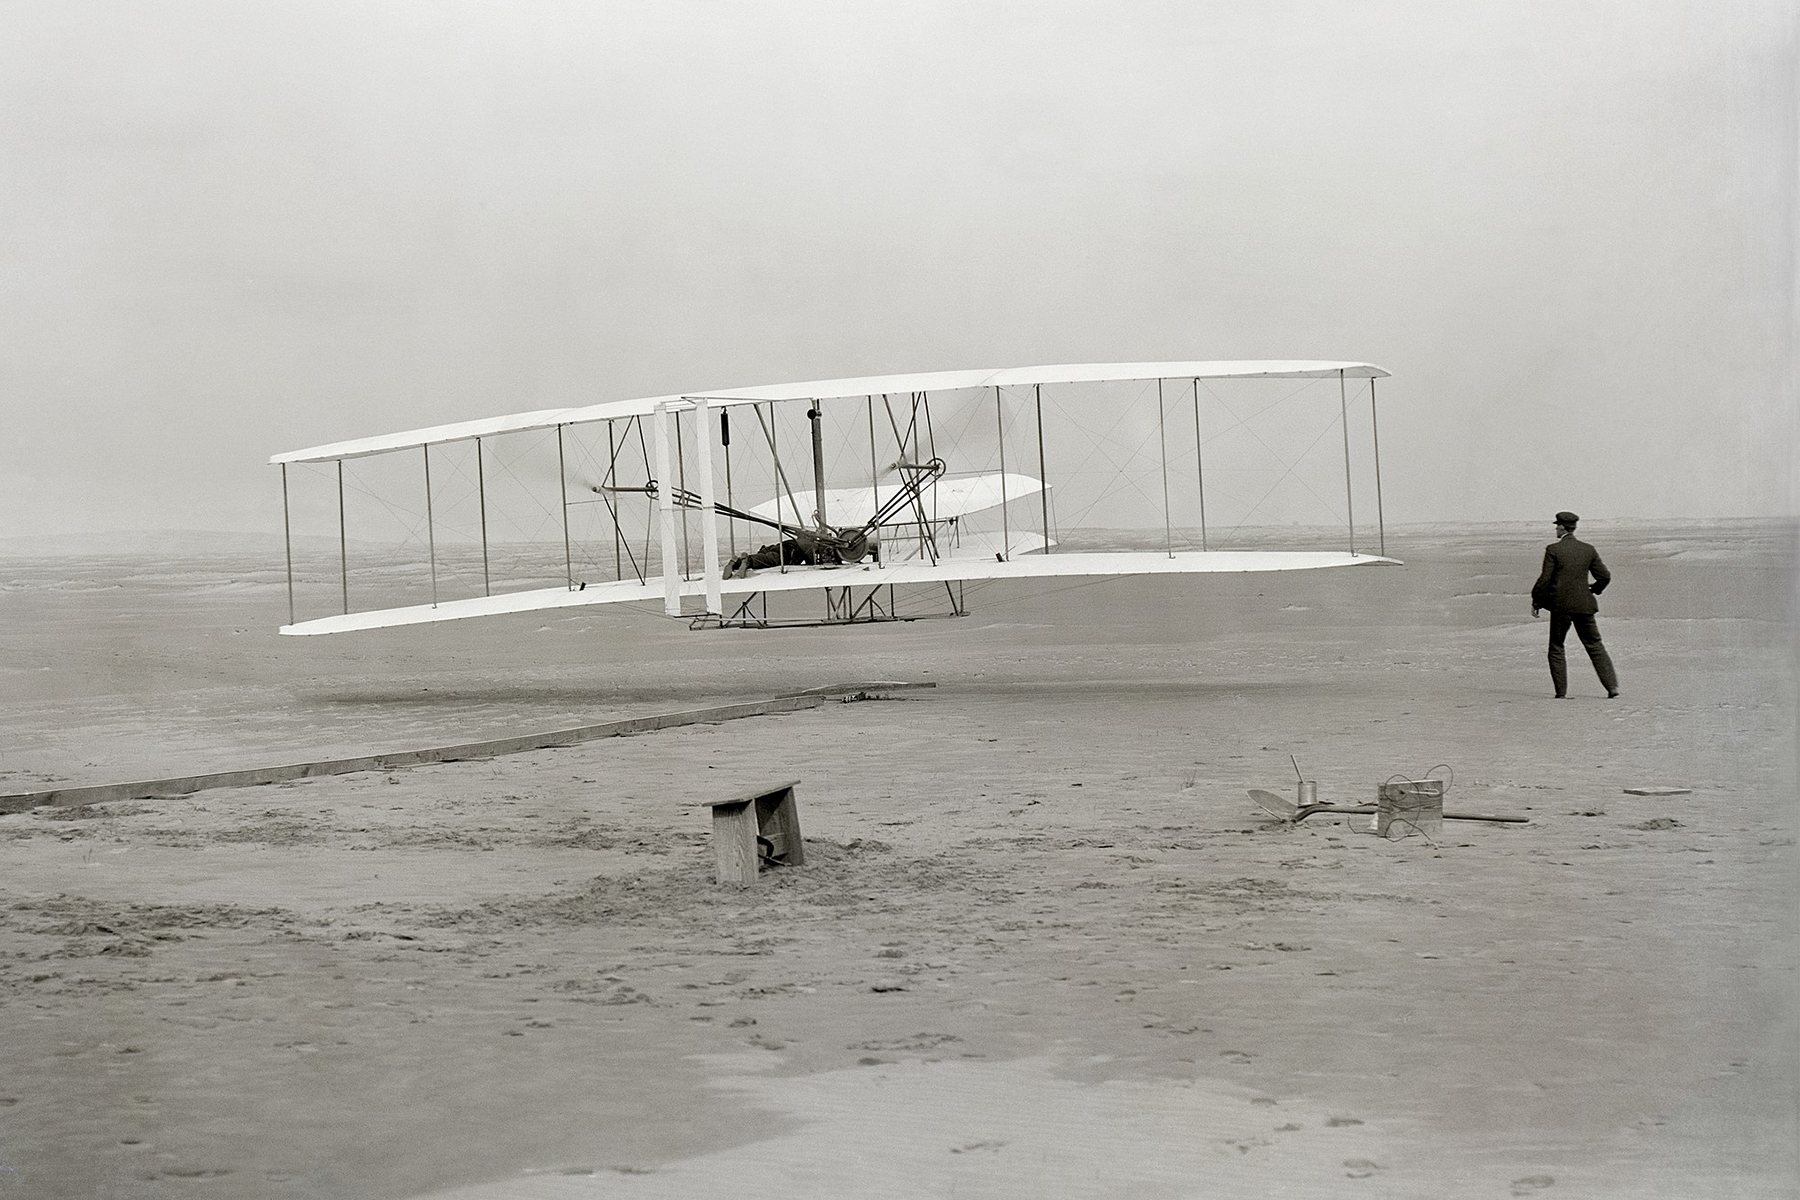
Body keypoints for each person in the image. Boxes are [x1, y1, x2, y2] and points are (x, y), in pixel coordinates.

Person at [1530, 511, 1620, 698]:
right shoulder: (1588, 549)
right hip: (1584, 605)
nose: (1556, 528)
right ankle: (1612, 688)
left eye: (1557, 526)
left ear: (1563, 527)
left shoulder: (1553, 550)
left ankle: (1561, 693)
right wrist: (1594, 589)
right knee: (1595, 645)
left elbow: (1545, 579)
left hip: (1560, 607)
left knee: (1556, 647)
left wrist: (1537, 601)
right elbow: (1604, 576)